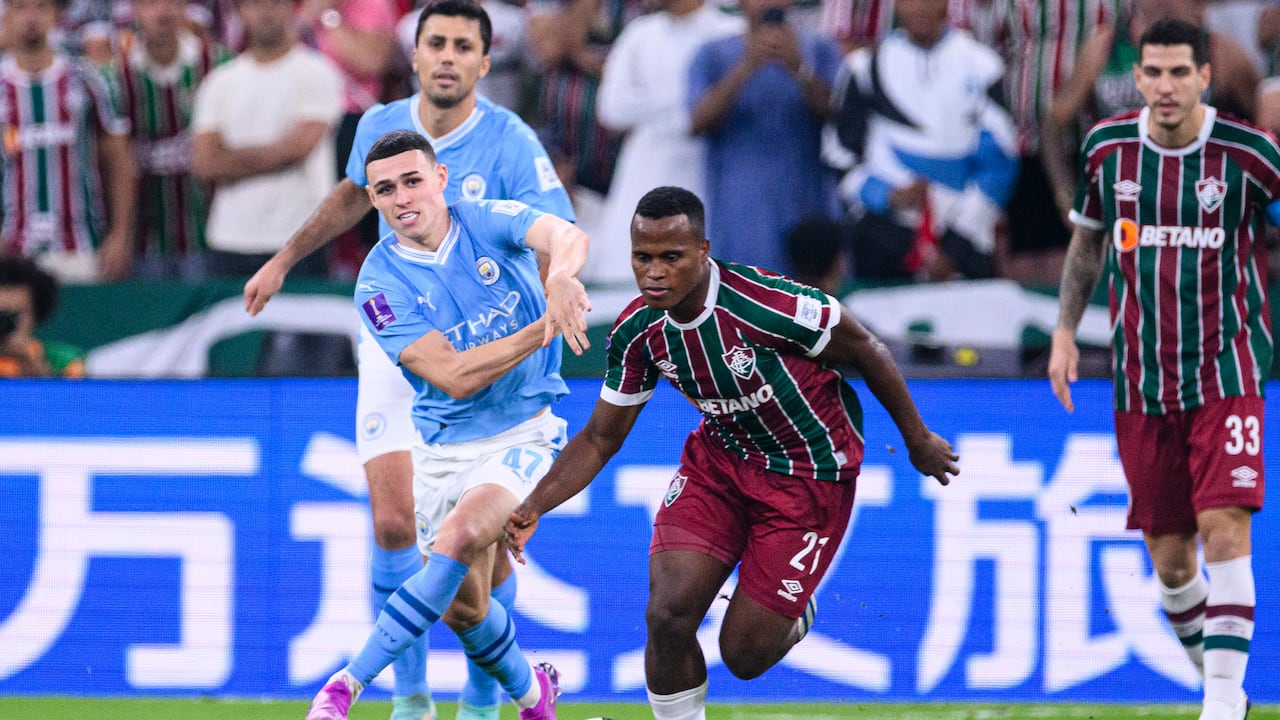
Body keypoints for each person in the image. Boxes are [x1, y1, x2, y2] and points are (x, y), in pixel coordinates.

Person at [506, 186, 959, 720]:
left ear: (703, 251)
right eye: (641, 257)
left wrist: (917, 439)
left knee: (742, 655)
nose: (653, 272)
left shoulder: (767, 304)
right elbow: (600, 438)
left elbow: (865, 349)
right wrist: (534, 504)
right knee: (668, 615)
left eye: (670, 258)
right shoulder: (638, 332)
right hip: (721, 464)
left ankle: (788, 613)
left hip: (809, 474)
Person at [242, 3, 575, 718]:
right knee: (394, 526)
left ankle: (486, 698)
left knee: (474, 556)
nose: (448, 57)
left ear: (486, 63)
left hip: (488, 359)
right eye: (435, 44)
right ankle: (412, 698)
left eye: (464, 46)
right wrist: (284, 258)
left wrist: (557, 297)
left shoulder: (511, 142)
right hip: (407, 348)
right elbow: (347, 198)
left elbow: (556, 232)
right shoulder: (380, 129)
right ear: (414, 56)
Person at [306, 128, 590, 720]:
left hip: (523, 432)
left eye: (413, 180)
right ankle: (535, 696)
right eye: (386, 189)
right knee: (465, 609)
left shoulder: (486, 219)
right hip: (443, 447)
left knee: (457, 540)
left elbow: (564, 233)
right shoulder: (378, 285)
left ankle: (346, 685)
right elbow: (455, 377)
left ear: (440, 179)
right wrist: (545, 327)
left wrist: (560, 276)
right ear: (374, 202)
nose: (403, 197)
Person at [1049, 18, 1277, 720]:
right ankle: (1226, 692)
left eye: (1181, 72)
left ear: (1206, 76)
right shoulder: (1109, 149)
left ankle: (1217, 705)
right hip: (1142, 381)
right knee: (1173, 563)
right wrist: (1063, 331)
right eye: (1155, 73)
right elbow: (1088, 247)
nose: (1167, 86)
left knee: (1225, 530)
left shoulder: (1249, 156)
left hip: (1227, 369)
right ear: (1138, 76)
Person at [829, 0, 1017, 282]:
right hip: (883, 236)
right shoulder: (864, 67)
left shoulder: (982, 66)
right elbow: (839, 152)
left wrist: (956, 245)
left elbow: (1000, 162)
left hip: (966, 240)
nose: (919, 7)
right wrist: (885, 194)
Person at [1042, 0, 1260, 235]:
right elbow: (1053, 124)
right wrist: (1067, 202)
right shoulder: (1105, 47)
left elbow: (1266, 128)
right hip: (1123, 213)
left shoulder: (1219, 52)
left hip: (1198, 217)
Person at [589, 0, 741, 286]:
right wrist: (684, 106)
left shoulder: (731, 30)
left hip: (711, 167)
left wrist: (660, 108)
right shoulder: (640, 34)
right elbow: (611, 108)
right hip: (646, 168)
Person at [190, 0, 344, 279]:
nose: (265, 12)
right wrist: (277, 152)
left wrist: (231, 160)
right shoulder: (219, 81)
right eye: (254, 4)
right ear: (239, 12)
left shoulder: (318, 74)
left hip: (300, 238)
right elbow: (205, 164)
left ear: (291, 8)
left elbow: (298, 148)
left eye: (275, 3)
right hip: (230, 238)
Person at [687, 0, 841, 277]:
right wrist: (746, 67)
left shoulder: (820, 49)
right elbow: (698, 123)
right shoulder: (712, 53)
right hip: (738, 208)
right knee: (743, 297)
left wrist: (800, 68)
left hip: (806, 202)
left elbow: (838, 114)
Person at [0, 0, 135, 284]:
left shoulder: (88, 78)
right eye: (21, 8)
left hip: (81, 246)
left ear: (55, 16)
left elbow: (119, 160)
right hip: (13, 248)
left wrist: (121, 234)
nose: (31, 18)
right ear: (8, 16)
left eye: (40, 7)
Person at [116, 0, 231, 279]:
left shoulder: (221, 66)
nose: (162, 11)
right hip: (144, 243)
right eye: (151, 3)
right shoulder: (116, 76)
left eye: (171, 2)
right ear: (134, 10)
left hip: (212, 238)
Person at [0, 255, 83, 377]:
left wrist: (29, 361)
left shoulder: (65, 360)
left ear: (36, 314)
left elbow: (71, 395)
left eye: (15, 314)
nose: (5, 322)